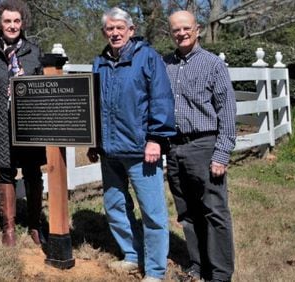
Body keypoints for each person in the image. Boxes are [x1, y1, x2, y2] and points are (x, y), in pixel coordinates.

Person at [87, 7, 176, 282]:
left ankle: (155, 270)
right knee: (115, 205)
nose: (114, 33)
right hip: (109, 150)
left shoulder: (148, 58)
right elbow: (92, 104)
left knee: (152, 212)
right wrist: (93, 140)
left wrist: (155, 139)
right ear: (105, 32)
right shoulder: (99, 62)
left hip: (141, 150)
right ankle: (131, 255)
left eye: (119, 28)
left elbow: (161, 99)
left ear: (131, 30)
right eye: (110, 29)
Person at [163, 10, 237, 282]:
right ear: (170, 33)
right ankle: (198, 266)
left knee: (214, 212)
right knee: (187, 212)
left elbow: (227, 113)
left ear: (197, 29)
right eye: (176, 30)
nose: (181, 34)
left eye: (186, 28)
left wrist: (221, 153)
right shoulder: (166, 64)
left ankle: (219, 274)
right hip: (174, 148)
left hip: (204, 145)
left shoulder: (213, 65)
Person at [0, 0, 46, 247]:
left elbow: (44, 85)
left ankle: (35, 225)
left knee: (32, 171)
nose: (12, 25)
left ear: (23, 23)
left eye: (16, 21)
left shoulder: (34, 51)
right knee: (5, 171)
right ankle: (8, 228)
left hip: (28, 121)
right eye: (7, 21)